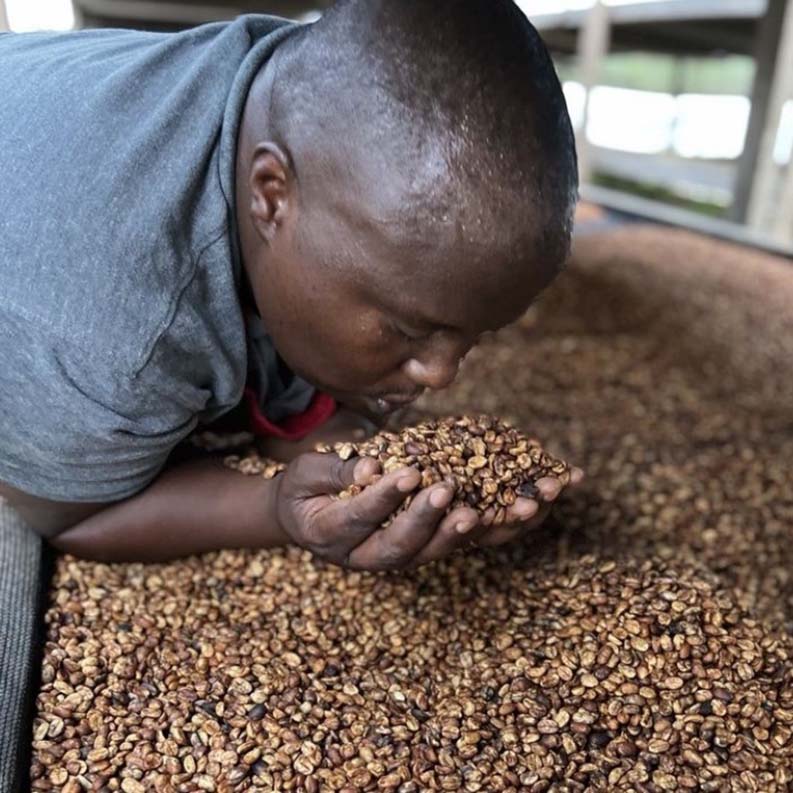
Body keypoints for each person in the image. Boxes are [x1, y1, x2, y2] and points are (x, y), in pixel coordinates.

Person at [0, 0, 582, 569]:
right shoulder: (111, 327)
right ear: (271, 195)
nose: (442, 375)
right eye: (410, 330)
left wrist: (364, 468)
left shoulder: (290, 91)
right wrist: (273, 508)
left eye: (477, 336)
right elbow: (75, 518)